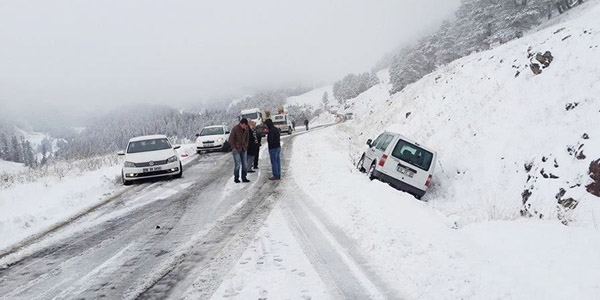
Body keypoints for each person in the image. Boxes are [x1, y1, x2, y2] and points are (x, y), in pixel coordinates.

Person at [228, 118, 250, 183]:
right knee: (237, 164)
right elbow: (231, 139)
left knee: (245, 164)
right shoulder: (235, 129)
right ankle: (236, 178)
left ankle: (244, 177)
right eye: (243, 125)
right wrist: (233, 148)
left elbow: (247, 138)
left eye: (246, 125)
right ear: (240, 124)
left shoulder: (246, 129)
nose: (244, 126)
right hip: (236, 149)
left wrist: (246, 144)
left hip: (244, 148)